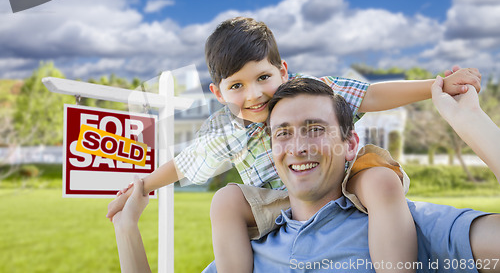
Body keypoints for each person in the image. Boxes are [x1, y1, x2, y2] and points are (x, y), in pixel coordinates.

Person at [107, 17, 482, 273]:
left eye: (263, 77)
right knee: (225, 201)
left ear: (283, 71)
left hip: (343, 176)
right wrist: (140, 186)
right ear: (218, 93)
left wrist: (437, 86)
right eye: (237, 86)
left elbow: (372, 94)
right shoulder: (224, 128)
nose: (254, 95)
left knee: (380, 181)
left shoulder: (313, 93)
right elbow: (184, 164)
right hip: (280, 198)